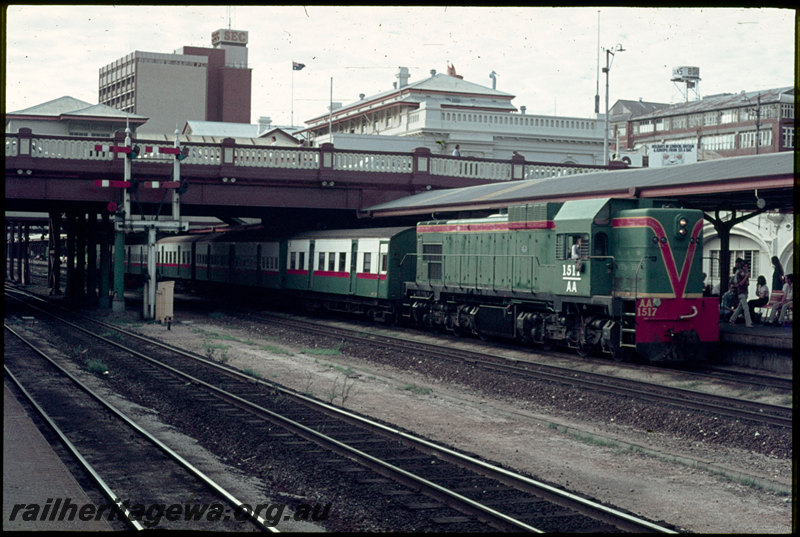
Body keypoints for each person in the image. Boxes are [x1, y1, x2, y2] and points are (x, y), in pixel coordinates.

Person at [729, 259, 753, 327]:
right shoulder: (739, 273)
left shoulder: (745, 273)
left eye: (747, 266)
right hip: (741, 292)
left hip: (745, 291)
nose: (746, 268)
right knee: (746, 307)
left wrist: (746, 279)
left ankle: (732, 319)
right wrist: (746, 277)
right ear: (742, 267)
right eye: (745, 266)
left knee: (740, 307)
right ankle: (748, 322)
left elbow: (747, 283)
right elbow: (740, 283)